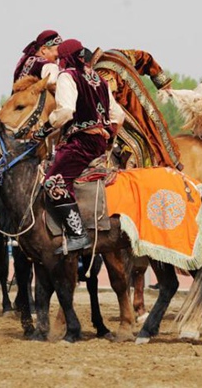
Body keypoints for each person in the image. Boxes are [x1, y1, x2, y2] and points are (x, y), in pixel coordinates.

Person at [42, 39, 124, 255]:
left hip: (80, 142)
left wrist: (45, 127)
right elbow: (118, 115)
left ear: (66, 58)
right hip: (98, 143)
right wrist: (107, 134)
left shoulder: (68, 76)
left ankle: (78, 234)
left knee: (53, 182)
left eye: (60, 58)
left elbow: (67, 111)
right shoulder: (100, 80)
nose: (59, 62)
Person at [93, 48, 181, 169]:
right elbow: (145, 58)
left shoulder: (100, 74)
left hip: (130, 114)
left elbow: (108, 107)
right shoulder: (116, 54)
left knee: (132, 149)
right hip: (148, 110)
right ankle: (173, 166)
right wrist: (162, 82)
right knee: (156, 137)